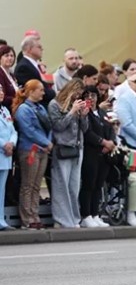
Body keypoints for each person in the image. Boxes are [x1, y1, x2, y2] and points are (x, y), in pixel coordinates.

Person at [48, 79, 88, 228]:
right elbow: (58, 126)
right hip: (63, 147)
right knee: (61, 185)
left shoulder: (75, 104)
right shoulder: (54, 104)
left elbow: (84, 129)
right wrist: (72, 112)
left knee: (74, 186)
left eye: (80, 94)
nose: (78, 96)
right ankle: (61, 219)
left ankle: (74, 218)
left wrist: (83, 115)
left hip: (78, 147)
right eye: (77, 93)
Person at [14, 81, 51, 229]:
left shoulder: (40, 108)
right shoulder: (24, 109)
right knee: (28, 185)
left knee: (36, 185)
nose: (43, 93)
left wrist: (48, 141)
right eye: (40, 90)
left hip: (42, 150)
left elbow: (49, 126)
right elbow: (28, 130)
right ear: (31, 92)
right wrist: (45, 142)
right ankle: (27, 218)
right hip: (30, 149)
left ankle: (35, 214)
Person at [79, 85, 114, 227]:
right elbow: (88, 133)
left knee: (98, 184)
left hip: (104, 154)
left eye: (93, 96)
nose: (90, 99)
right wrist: (102, 142)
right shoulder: (85, 113)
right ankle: (86, 215)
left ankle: (95, 214)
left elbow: (110, 127)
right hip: (91, 152)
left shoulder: (101, 112)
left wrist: (111, 142)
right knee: (89, 184)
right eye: (87, 96)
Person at [0, 86, 17, 230]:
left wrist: (12, 143)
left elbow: (13, 130)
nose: (1, 93)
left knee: (1, 190)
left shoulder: (5, 111)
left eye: (1, 90)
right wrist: (4, 144)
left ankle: (1, 219)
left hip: (6, 156)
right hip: (1, 150)